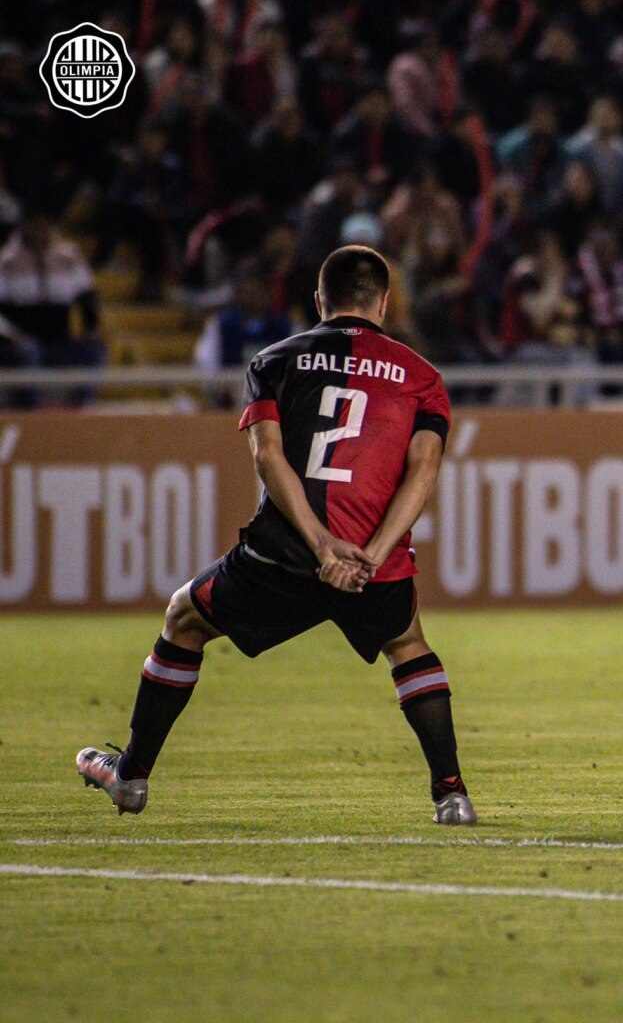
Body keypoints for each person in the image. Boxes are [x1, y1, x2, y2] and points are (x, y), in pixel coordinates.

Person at [77, 245, 477, 826]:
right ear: (385, 303)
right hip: (373, 564)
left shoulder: (273, 361)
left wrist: (321, 545)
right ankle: (452, 796)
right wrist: (368, 556)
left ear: (319, 301)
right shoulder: (423, 379)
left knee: (183, 619)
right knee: (408, 643)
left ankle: (131, 778)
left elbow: (267, 458)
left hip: (283, 555)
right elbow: (424, 472)